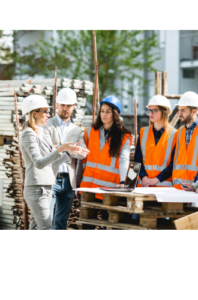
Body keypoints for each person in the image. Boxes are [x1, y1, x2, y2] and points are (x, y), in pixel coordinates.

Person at [19, 95, 89, 230]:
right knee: (47, 228)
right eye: (45, 111)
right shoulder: (28, 134)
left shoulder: (40, 133)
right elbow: (39, 163)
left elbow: (51, 162)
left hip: (44, 187)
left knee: (35, 228)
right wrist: (60, 149)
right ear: (34, 113)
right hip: (37, 189)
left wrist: (68, 152)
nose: (48, 114)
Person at [43, 88, 88, 230]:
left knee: (61, 223)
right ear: (57, 104)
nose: (65, 108)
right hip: (51, 177)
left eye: (69, 106)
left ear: (74, 106)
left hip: (69, 181)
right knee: (46, 220)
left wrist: (63, 149)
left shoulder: (77, 130)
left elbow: (82, 154)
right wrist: (68, 149)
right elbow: (45, 149)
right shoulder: (47, 125)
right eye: (63, 105)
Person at [80, 96, 132, 200]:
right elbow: (81, 160)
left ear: (115, 114)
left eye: (108, 111)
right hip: (88, 188)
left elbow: (124, 160)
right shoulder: (89, 132)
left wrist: (122, 181)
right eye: (102, 111)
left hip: (109, 188)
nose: (104, 114)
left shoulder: (124, 136)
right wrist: (77, 183)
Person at [172, 92, 198, 190]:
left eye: (183, 110)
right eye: (179, 110)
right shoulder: (179, 133)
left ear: (194, 111)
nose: (179, 113)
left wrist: (194, 185)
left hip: (196, 191)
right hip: (177, 190)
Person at [135, 95, 176, 188]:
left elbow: (174, 164)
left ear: (164, 111)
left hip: (164, 190)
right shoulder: (143, 132)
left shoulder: (175, 134)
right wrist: (144, 177)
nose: (151, 113)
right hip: (143, 187)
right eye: (150, 110)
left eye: (155, 110)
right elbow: (137, 160)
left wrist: (156, 179)